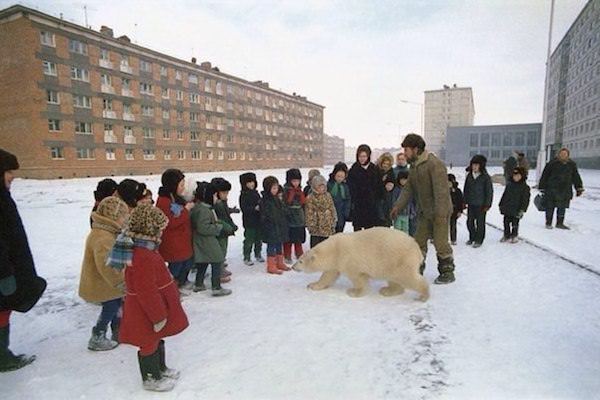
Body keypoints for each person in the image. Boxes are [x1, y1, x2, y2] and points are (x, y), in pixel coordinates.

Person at [119, 204, 188, 392]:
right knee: (148, 341)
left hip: (155, 304)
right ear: (150, 228)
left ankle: (161, 368)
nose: (162, 233)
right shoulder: (142, 255)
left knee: (158, 337)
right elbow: (146, 290)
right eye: (160, 229)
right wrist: (158, 315)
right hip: (146, 310)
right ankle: (151, 377)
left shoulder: (146, 249)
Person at [0, 149, 47, 372]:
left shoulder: (2, 195)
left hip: (11, 266)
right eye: (8, 171)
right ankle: (2, 357)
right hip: (5, 270)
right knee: (2, 312)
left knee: (5, 311)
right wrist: (5, 274)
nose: (13, 176)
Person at [390, 134, 455, 284]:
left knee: (440, 242)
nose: (404, 153)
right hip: (425, 212)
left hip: (440, 212)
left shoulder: (434, 164)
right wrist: (397, 206)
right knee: (418, 242)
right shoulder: (414, 166)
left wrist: (440, 215)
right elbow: (408, 189)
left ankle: (447, 271)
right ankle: (416, 269)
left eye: (406, 149)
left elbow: (441, 192)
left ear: (416, 149)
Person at [79, 196, 129, 351]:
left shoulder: (106, 232)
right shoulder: (103, 238)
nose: (125, 220)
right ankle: (98, 335)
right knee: (111, 306)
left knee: (115, 304)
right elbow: (108, 266)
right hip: (103, 283)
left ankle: (118, 330)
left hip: (105, 283)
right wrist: (120, 282)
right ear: (113, 216)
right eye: (123, 217)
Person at [156, 169, 194, 293]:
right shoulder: (164, 201)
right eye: (181, 184)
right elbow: (169, 222)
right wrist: (186, 211)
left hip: (182, 240)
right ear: (173, 185)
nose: (183, 188)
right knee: (176, 266)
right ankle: (170, 288)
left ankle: (181, 282)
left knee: (186, 263)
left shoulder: (176, 198)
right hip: (173, 242)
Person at [191, 182, 232, 296]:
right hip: (207, 240)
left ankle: (199, 284)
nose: (215, 197)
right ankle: (216, 287)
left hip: (202, 240)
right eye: (214, 195)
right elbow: (203, 227)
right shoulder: (204, 210)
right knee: (217, 260)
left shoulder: (202, 208)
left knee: (203, 262)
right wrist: (217, 227)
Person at [538, 148, 584, 230]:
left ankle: (560, 223)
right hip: (552, 189)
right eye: (562, 154)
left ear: (568, 155)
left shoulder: (571, 164)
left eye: (565, 154)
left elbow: (576, 176)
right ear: (558, 154)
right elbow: (545, 175)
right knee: (550, 207)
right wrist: (542, 187)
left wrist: (579, 188)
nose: (563, 155)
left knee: (562, 207)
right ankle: (548, 223)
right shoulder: (552, 163)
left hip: (565, 190)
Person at [260, 176, 290, 274]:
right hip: (271, 228)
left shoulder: (277, 198)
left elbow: (282, 209)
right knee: (271, 246)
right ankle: (271, 265)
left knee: (279, 245)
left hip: (279, 227)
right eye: (273, 188)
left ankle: (280, 262)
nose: (276, 190)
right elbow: (266, 215)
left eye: (276, 188)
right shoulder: (265, 200)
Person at [347, 144, 379, 231]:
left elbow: (377, 186)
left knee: (369, 232)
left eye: (364, 156)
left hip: (370, 205)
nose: (362, 158)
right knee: (357, 231)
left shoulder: (374, 169)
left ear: (368, 156)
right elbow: (350, 186)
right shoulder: (354, 169)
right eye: (360, 156)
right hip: (358, 205)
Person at [463, 155, 493, 248]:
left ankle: (479, 239)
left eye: (477, 165)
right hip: (471, 203)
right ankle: (472, 237)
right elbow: (466, 189)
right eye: (473, 165)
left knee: (480, 223)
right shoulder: (469, 176)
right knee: (469, 222)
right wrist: (464, 201)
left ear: (481, 166)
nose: (474, 167)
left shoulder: (485, 177)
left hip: (481, 205)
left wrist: (487, 204)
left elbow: (489, 191)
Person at [211, 177, 238, 278]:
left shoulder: (222, 202)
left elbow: (226, 214)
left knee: (224, 249)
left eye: (227, 193)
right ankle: (219, 271)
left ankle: (221, 265)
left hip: (225, 231)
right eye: (224, 193)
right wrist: (229, 227)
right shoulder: (215, 205)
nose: (226, 195)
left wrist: (232, 211)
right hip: (220, 232)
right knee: (220, 251)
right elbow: (218, 219)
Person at [499, 167, 530, 243]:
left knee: (515, 223)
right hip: (507, 207)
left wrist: (523, 209)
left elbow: (526, 199)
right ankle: (506, 235)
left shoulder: (524, 187)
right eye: (514, 176)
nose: (516, 177)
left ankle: (514, 235)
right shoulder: (509, 185)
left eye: (518, 176)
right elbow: (505, 195)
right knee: (506, 222)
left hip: (517, 208)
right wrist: (501, 204)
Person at [305, 175, 337, 248]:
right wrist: (311, 225)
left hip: (327, 226)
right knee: (316, 247)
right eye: (320, 187)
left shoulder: (328, 195)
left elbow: (332, 207)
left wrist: (333, 218)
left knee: (326, 246)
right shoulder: (310, 198)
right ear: (314, 187)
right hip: (316, 228)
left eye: (323, 186)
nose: (322, 189)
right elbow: (309, 212)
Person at [239, 172, 264, 266]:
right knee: (249, 239)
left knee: (259, 239)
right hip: (249, 221)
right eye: (249, 182)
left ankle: (258, 254)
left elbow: (260, 202)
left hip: (258, 220)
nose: (251, 184)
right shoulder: (243, 195)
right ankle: (247, 256)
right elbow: (244, 208)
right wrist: (254, 208)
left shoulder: (256, 193)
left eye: (252, 182)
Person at [283, 169, 306, 264]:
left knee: (298, 238)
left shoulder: (300, 190)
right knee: (288, 239)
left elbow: (303, 202)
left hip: (299, 218)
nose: (296, 183)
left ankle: (299, 253)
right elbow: (285, 203)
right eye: (294, 181)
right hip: (289, 218)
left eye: (298, 181)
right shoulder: (286, 191)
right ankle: (287, 255)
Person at [327, 162, 351, 233]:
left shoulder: (345, 187)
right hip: (330, 215)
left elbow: (348, 199)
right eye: (338, 176)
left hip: (341, 215)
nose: (340, 178)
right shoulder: (329, 185)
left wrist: (346, 212)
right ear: (334, 174)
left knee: (339, 233)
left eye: (342, 177)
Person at [393, 171, 416, 235]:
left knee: (405, 229)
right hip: (398, 214)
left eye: (405, 180)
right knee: (397, 230)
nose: (404, 181)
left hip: (406, 214)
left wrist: (412, 212)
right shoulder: (396, 190)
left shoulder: (409, 190)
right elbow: (394, 201)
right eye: (402, 180)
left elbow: (411, 202)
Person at [448, 174, 465, 245]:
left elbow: (461, 201)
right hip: (445, 210)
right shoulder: (442, 190)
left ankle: (453, 239)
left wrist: (460, 211)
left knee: (453, 225)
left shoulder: (457, 191)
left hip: (454, 211)